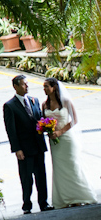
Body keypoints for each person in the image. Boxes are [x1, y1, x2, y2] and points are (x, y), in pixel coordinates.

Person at [42, 77, 98, 208]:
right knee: (59, 169)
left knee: (72, 166)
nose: (44, 89)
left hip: (67, 139)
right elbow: (43, 122)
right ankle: (65, 198)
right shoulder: (45, 105)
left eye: (46, 87)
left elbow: (74, 120)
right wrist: (48, 131)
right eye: (43, 87)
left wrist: (60, 132)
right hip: (54, 142)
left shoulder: (66, 101)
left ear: (54, 88)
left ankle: (80, 196)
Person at [3, 75, 53, 214]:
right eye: (24, 84)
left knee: (41, 176)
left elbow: (39, 120)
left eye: (27, 84)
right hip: (24, 149)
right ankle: (27, 205)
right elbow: (11, 130)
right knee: (26, 178)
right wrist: (17, 149)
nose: (27, 86)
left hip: (38, 145)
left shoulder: (34, 100)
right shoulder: (10, 106)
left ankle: (44, 203)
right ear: (16, 86)